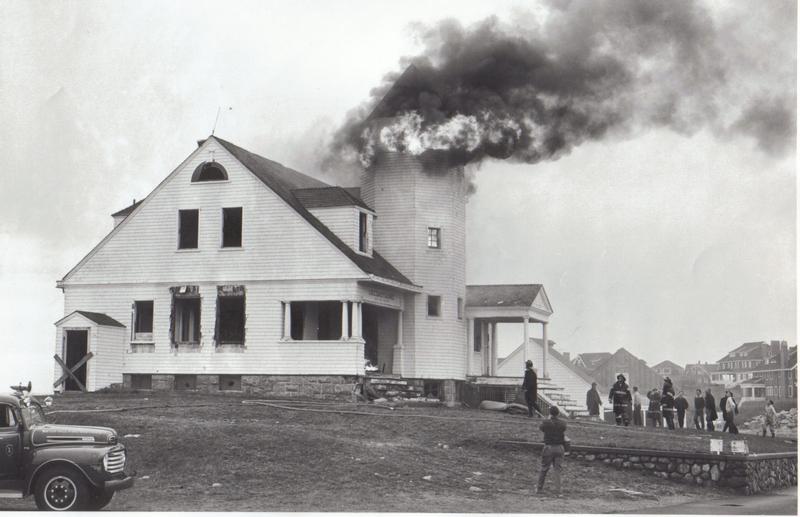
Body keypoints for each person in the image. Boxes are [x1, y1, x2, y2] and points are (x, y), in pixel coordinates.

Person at [537, 406, 567, 496]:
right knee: (557, 471)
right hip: (560, 448)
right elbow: (563, 428)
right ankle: (558, 492)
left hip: (549, 448)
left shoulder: (546, 422)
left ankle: (539, 489)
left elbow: (541, 428)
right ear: (558, 413)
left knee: (544, 469)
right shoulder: (563, 423)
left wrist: (548, 419)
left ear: (550, 413)